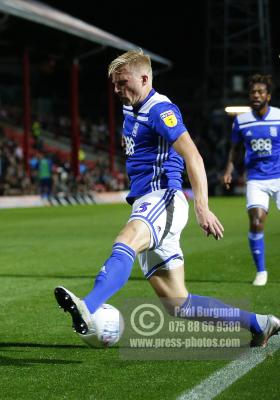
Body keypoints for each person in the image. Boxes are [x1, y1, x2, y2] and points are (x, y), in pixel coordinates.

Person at [54, 50, 279, 348]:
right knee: (178, 304)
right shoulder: (131, 107)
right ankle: (260, 323)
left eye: (123, 83)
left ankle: (89, 305)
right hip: (148, 203)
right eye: (114, 85)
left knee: (125, 241)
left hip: (163, 198)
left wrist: (203, 207)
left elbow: (194, 156)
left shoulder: (161, 110)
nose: (117, 90)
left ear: (145, 78)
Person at [223, 74, 280, 286]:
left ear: (269, 96)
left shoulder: (278, 117)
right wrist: (229, 170)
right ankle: (261, 272)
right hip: (256, 179)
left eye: (260, 92)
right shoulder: (241, 121)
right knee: (256, 222)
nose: (256, 95)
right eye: (253, 92)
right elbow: (235, 149)